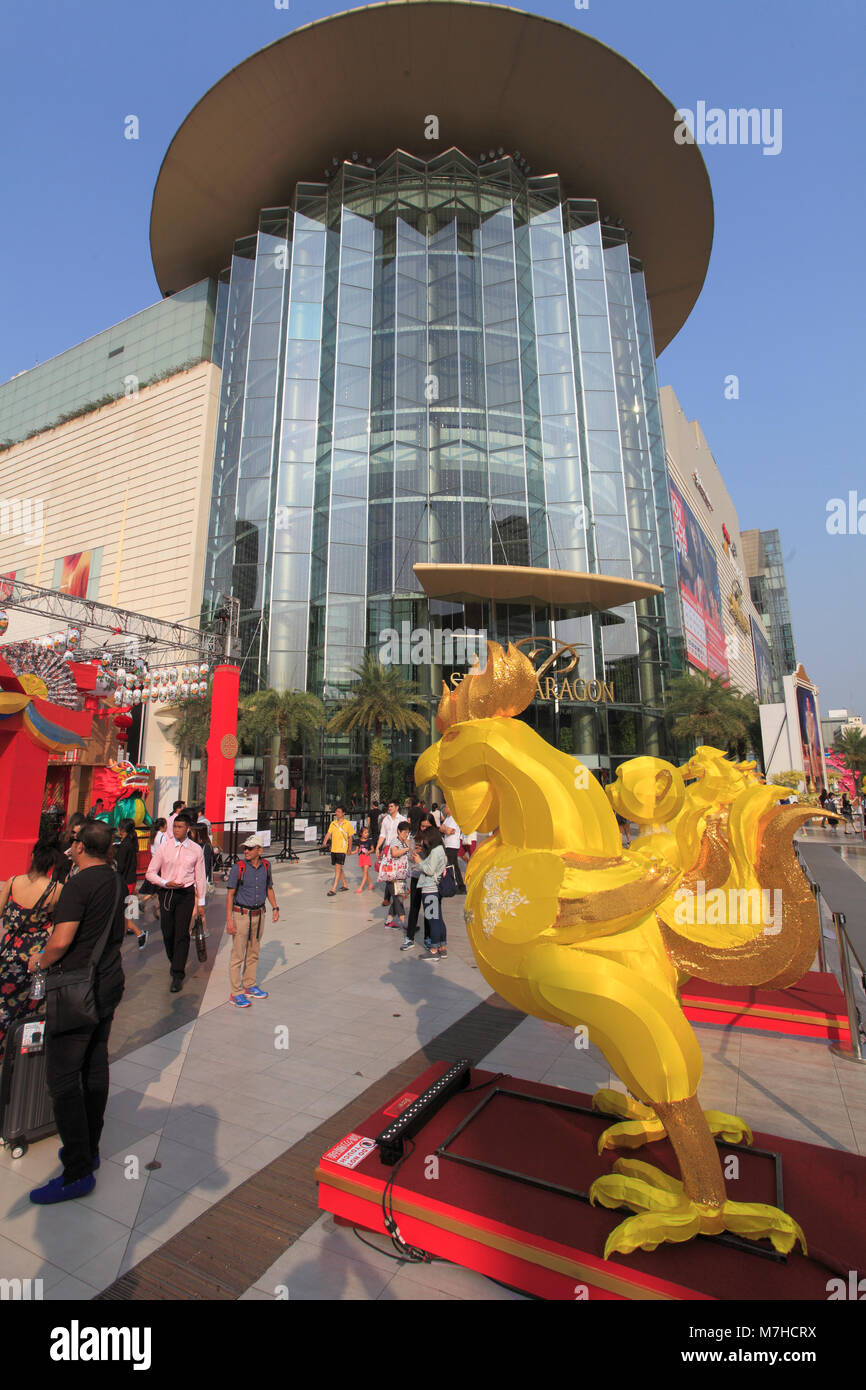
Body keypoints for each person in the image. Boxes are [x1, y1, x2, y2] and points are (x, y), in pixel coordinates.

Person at [26, 820, 125, 1204]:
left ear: (81, 847)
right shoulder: (114, 879)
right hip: (108, 981)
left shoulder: (79, 885)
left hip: (77, 989)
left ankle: (77, 1169)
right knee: (95, 1064)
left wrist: (39, 960)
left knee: (63, 1077)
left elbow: (61, 941)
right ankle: (91, 1149)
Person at [0, 841, 63, 1060]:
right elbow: (58, 924)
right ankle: (23, 1051)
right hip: (36, 952)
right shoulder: (56, 889)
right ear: (52, 864)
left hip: (9, 950)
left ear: (32, 858)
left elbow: (0, 911)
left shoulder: (13, 882)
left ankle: (2, 1045)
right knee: (31, 1002)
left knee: (4, 998)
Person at [145, 811, 206, 993]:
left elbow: (201, 876)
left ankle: (177, 974)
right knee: (167, 932)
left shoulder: (196, 849)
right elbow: (150, 873)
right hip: (167, 892)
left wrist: (201, 902)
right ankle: (175, 960)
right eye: (174, 826)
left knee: (182, 933)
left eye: (180, 827)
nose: (176, 830)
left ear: (187, 829)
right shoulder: (165, 847)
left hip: (186, 893)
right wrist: (165, 882)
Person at [224, 836, 280, 1008]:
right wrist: (229, 920)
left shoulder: (266, 866)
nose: (246, 851)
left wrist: (275, 907)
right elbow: (230, 895)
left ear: (259, 850)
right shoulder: (238, 868)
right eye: (245, 848)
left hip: (259, 914)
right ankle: (236, 992)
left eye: (249, 848)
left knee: (254, 951)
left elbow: (269, 888)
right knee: (238, 954)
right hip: (241, 914)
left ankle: (249, 985)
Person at [414, 825, 448, 960]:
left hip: (429, 889)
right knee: (438, 918)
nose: (424, 841)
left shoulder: (435, 852)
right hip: (436, 889)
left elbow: (429, 869)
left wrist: (419, 862)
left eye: (425, 839)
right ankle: (442, 947)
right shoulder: (440, 850)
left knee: (432, 919)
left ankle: (434, 950)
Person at [401, 811, 432, 951]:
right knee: (414, 907)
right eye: (422, 826)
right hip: (416, 876)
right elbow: (409, 857)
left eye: (427, 826)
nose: (424, 829)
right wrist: (413, 854)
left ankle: (428, 938)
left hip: (429, 878)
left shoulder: (435, 840)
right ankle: (410, 937)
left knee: (428, 910)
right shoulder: (414, 838)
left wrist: (425, 852)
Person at [115, 819, 148, 951]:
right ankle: (128, 929)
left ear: (122, 830)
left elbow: (120, 866)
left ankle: (139, 932)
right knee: (125, 908)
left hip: (125, 880)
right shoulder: (131, 843)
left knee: (119, 911)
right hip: (130, 879)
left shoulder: (124, 845)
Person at [383, 821, 411, 931]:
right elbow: (394, 853)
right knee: (398, 899)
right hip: (393, 876)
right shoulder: (395, 841)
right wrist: (406, 849)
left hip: (400, 875)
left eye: (407, 833)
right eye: (404, 832)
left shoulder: (403, 842)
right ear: (398, 831)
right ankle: (406, 924)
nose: (406, 835)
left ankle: (389, 921)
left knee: (399, 898)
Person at [375, 800, 401, 910]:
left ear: (397, 807)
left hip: (398, 849)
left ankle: (397, 894)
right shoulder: (386, 819)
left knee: (397, 873)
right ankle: (388, 897)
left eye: (391, 806)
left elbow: (406, 836)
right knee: (387, 872)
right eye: (389, 806)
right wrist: (378, 847)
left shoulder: (402, 820)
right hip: (387, 849)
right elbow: (383, 834)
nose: (389, 808)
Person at [323, 805, 354, 895]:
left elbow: (350, 837)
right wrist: (325, 841)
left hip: (342, 849)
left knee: (337, 867)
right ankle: (345, 884)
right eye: (336, 811)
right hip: (334, 848)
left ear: (343, 813)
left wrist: (349, 849)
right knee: (338, 867)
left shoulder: (347, 824)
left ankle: (333, 889)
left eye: (339, 812)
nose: (337, 813)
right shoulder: (333, 823)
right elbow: (329, 833)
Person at [440, 803, 466, 893]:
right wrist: (445, 829)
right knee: (452, 865)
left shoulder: (454, 818)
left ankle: (459, 886)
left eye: (447, 807)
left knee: (452, 866)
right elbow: (442, 829)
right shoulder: (447, 818)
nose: (445, 809)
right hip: (447, 844)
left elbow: (448, 831)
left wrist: (446, 829)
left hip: (453, 845)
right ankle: (459, 886)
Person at [355, 817, 376, 894]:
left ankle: (360, 888)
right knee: (365, 873)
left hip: (367, 858)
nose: (367, 834)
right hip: (361, 858)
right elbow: (356, 850)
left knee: (364, 873)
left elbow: (372, 849)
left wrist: (369, 852)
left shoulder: (369, 841)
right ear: (361, 833)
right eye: (365, 832)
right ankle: (370, 884)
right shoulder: (358, 841)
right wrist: (350, 852)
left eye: (367, 832)